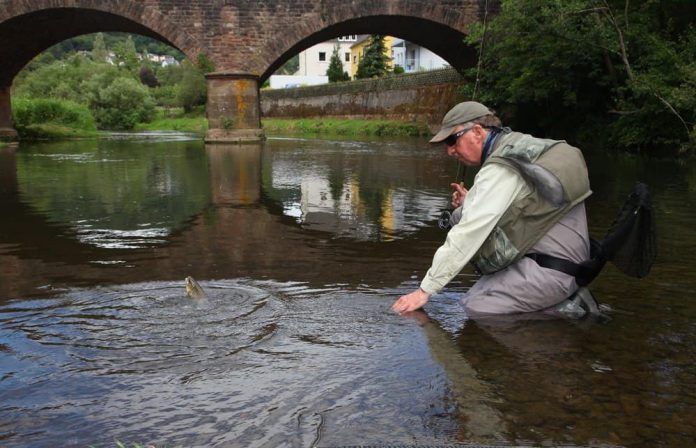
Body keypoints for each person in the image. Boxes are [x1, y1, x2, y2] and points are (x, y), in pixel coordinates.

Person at [392, 101, 593, 316]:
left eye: (452, 140)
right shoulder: (521, 149)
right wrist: (473, 201)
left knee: (477, 308)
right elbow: (520, 204)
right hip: (568, 263)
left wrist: (425, 290)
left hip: (552, 271)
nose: (450, 150)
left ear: (477, 132)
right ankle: (564, 301)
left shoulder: (500, 167)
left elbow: (468, 233)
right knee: (471, 297)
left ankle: (562, 310)